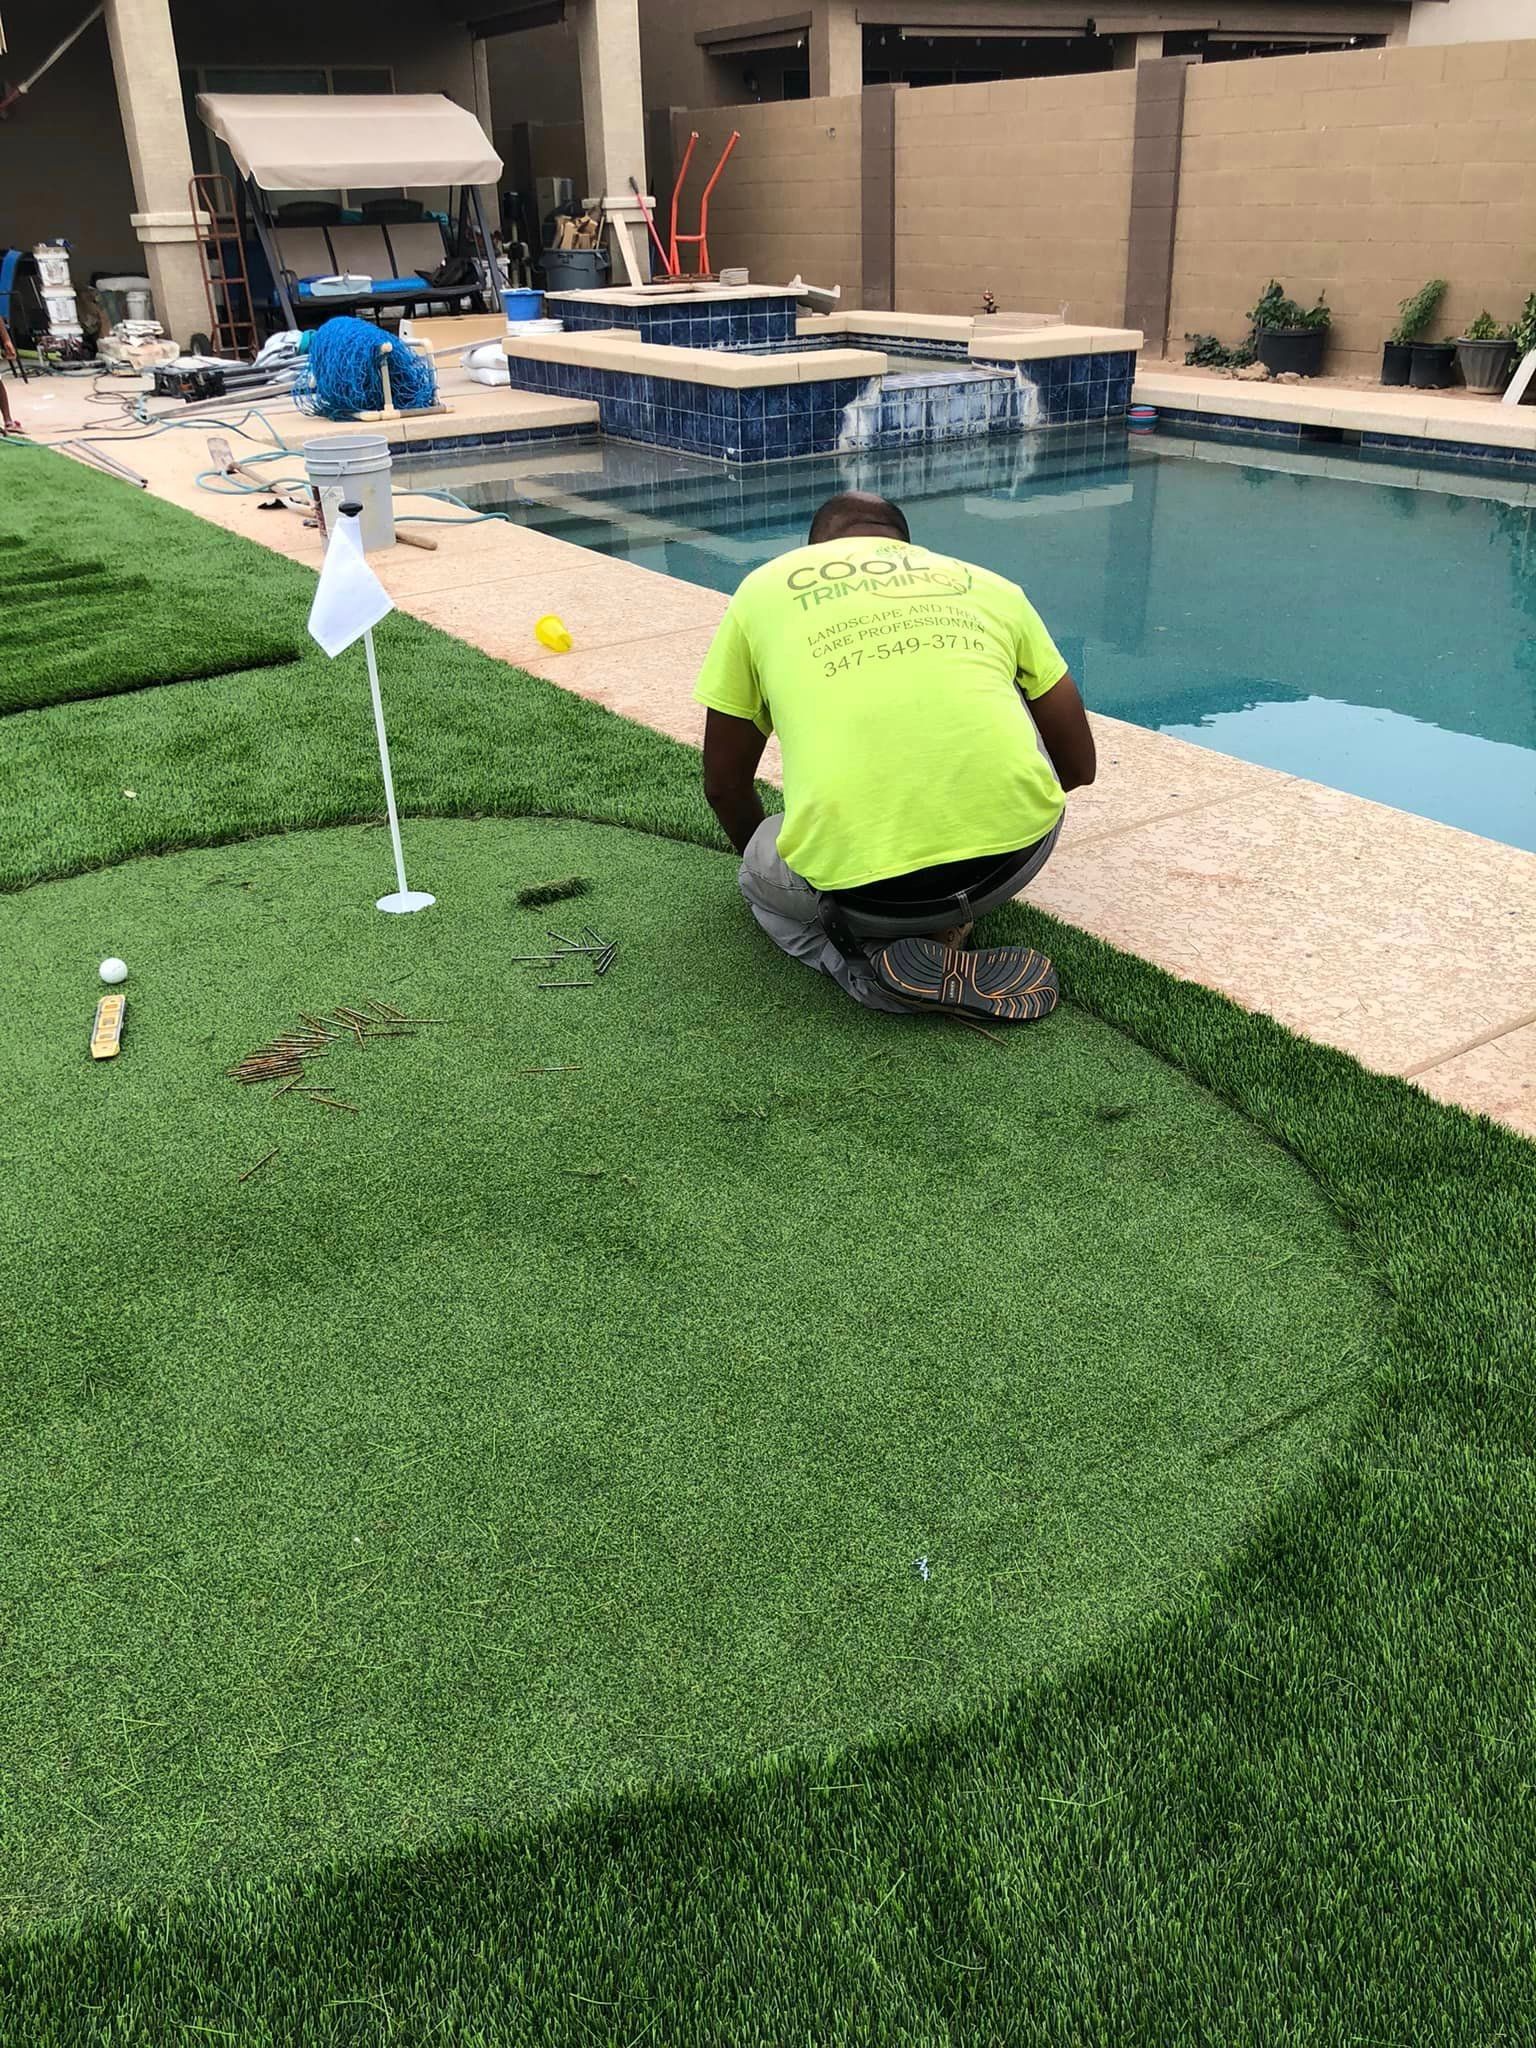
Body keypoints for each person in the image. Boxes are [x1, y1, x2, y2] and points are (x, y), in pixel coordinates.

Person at [694, 491, 1096, 1021]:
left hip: (864, 898)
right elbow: (1079, 764)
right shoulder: (988, 585)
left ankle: (867, 969)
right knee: (1011, 688)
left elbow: (724, 784)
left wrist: (801, 878)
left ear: (814, 549)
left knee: (757, 870)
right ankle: (942, 926)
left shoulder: (765, 590)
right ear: (906, 549)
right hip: (1011, 864)